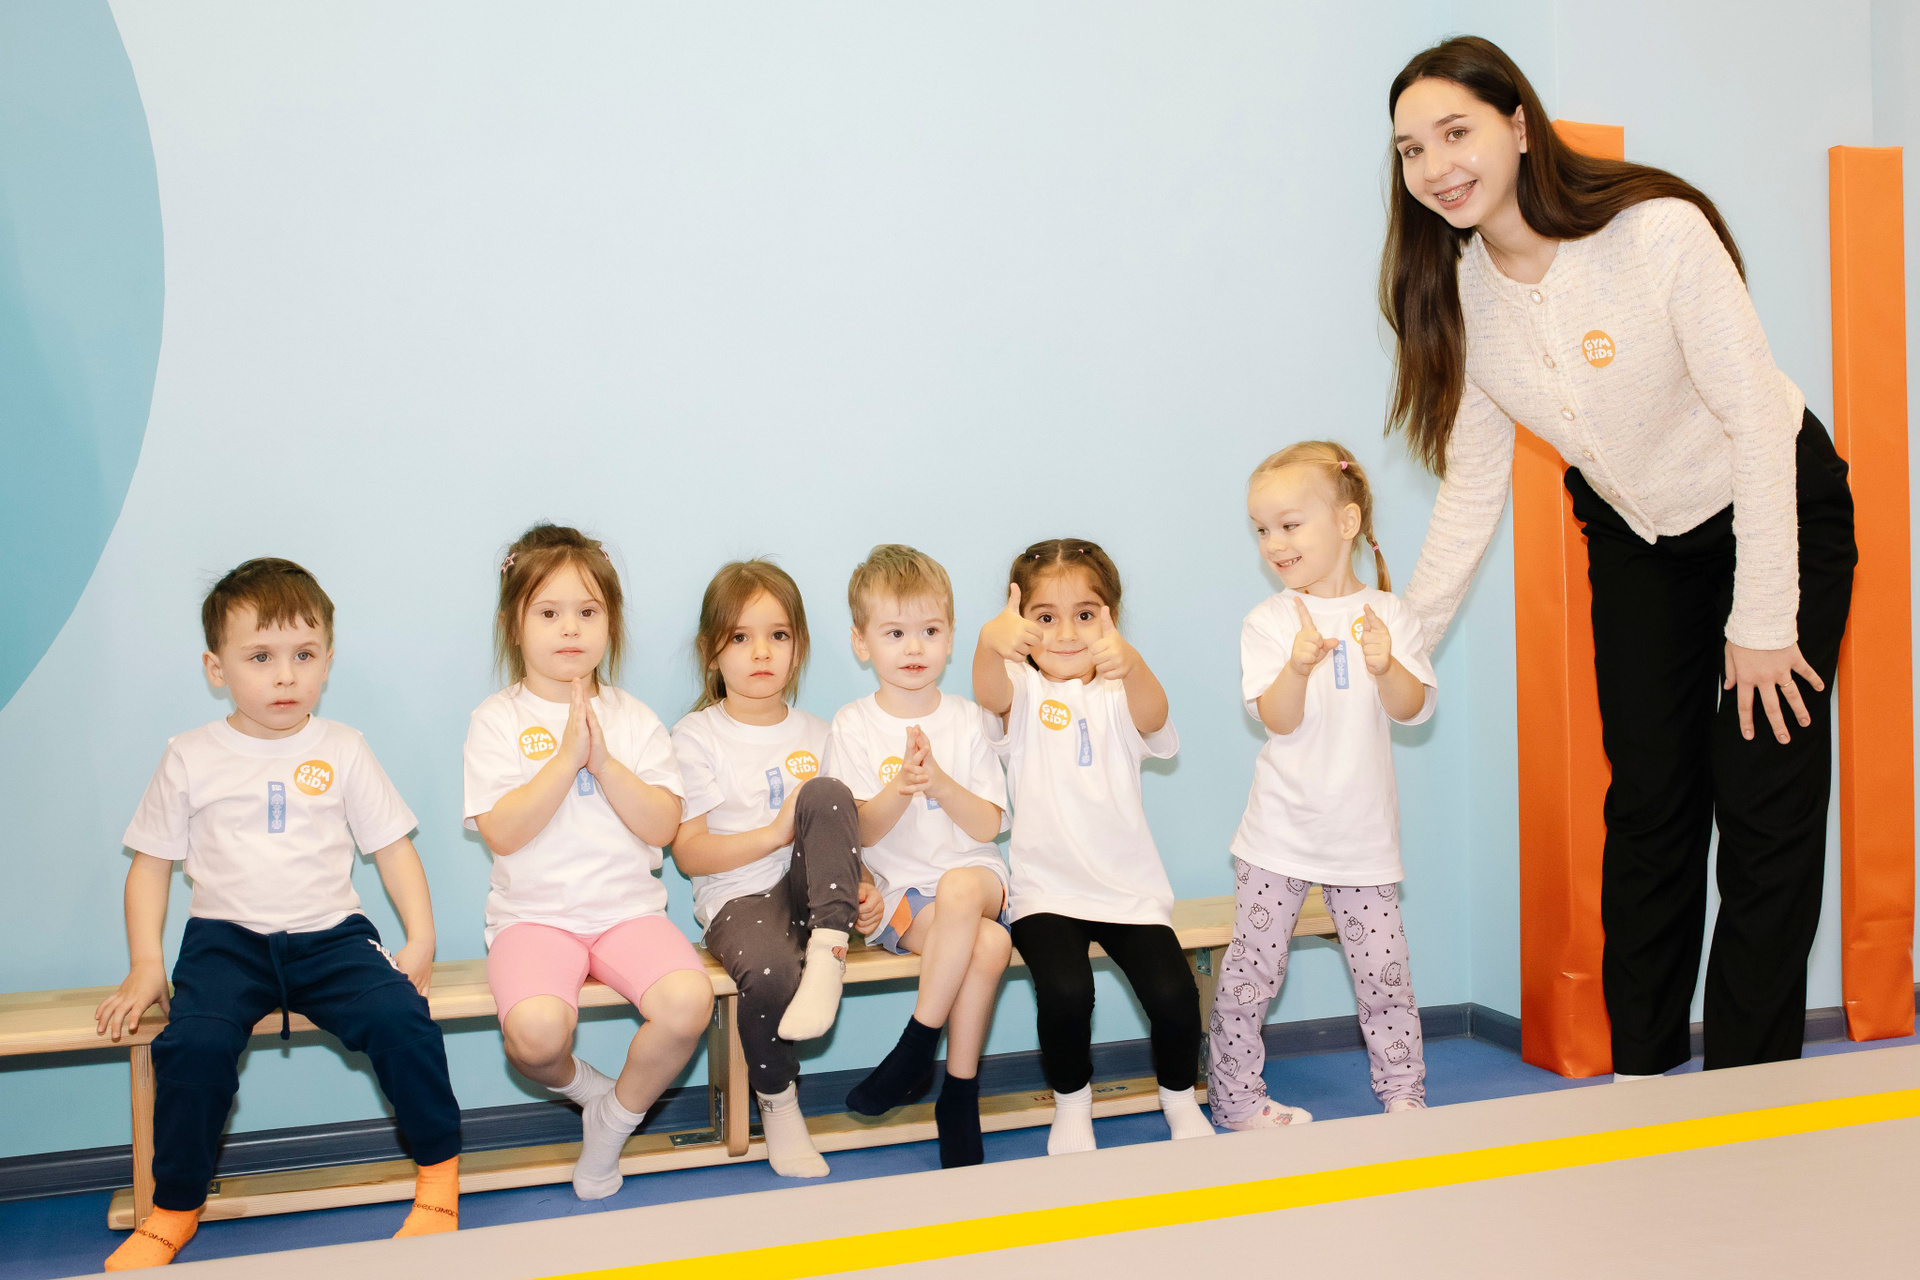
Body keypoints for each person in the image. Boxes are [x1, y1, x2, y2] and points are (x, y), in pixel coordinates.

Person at [1383, 36, 1857, 1076]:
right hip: (1640, 536)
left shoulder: (1655, 232)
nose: (1437, 167)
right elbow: (1471, 489)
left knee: (1764, 798)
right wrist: (1401, 645)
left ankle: (1750, 1091)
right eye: (1413, 150)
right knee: (1648, 803)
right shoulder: (1461, 292)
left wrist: (1762, 619)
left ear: (1518, 125)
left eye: (1456, 132)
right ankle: (1643, 1082)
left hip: (1772, 506)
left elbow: (1754, 423)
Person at [95, 558, 461, 1269]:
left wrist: (421, 937)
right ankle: (175, 1209)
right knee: (194, 1048)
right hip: (224, 943)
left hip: (333, 939)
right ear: (217, 668)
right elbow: (151, 866)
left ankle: (439, 1182)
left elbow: (392, 847)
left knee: (402, 1021)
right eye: (260, 657)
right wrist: (145, 964)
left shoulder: (344, 747)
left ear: (328, 659)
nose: (285, 676)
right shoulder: (190, 755)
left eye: (304, 655)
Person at [463, 524, 712, 1200]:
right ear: (513, 625)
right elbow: (502, 832)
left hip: (628, 915)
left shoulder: (634, 719)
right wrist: (565, 757)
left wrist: (602, 761)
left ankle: (613, 1123)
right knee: (536, 1037)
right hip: (534, 919)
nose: (570, 628)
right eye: (548, 612)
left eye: (587, 611)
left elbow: (663, 826)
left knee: (688, 1004)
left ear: (611, 622)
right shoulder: (496, 720)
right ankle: (589, 1090)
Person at [1209, 442, 1437, 1129]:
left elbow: (1414, 710)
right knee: (1251, 975)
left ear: (1346, 522)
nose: (1274, 543)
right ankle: (1237, 1099)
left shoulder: (1390, 614)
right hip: (1278, 835)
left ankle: (1404, 1092)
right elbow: (1276, 719)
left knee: (1385, 978)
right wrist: (1297, 668)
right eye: (1262, 529)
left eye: (1289, 524)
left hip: (1363, 840)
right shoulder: (1269, 621)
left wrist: (1387, 665)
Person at [973, 538, 1214, 1154]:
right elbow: (989, 694)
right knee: (1066, 993)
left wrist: (1131, 663)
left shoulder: (1117, 692)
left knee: (1174, 995)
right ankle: (1073, 1105)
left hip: (1128, 889)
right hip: (1046, 893)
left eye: (1085, 614)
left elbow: (1154, 717)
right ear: (1020, 623)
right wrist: (988, 642)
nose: (1065, 633)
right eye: (1044, 617)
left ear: (1112, 618)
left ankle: (1180, 1099)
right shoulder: (1022, 691)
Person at [669, 559, 880, 1178]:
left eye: (778, 635)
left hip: (817, 901)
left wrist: (865, 887)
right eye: (740, 636)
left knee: (827, 792)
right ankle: (780, 1108)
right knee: (767, 975)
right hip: (739, 900)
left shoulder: (823, 731)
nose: (761, 651)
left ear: (798, 648)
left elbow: (842, 833)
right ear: (712, 651)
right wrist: (772, 833)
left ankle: (830, 950)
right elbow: (689, 853)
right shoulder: (695, 737)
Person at [825, 545, 1012, 1168]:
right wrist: (901, 787)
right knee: (990, 946)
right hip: (904, 897)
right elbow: (860, 833)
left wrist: (941, 784)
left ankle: (915, 1048)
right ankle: (958, 1096)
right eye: (894, 633)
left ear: (950, 637)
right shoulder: (852, 725)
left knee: (960, 887)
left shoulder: (968, 720)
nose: (914, 647)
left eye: (930, 632)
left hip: (980, 879)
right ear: (862, 642)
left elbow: (989, 823)